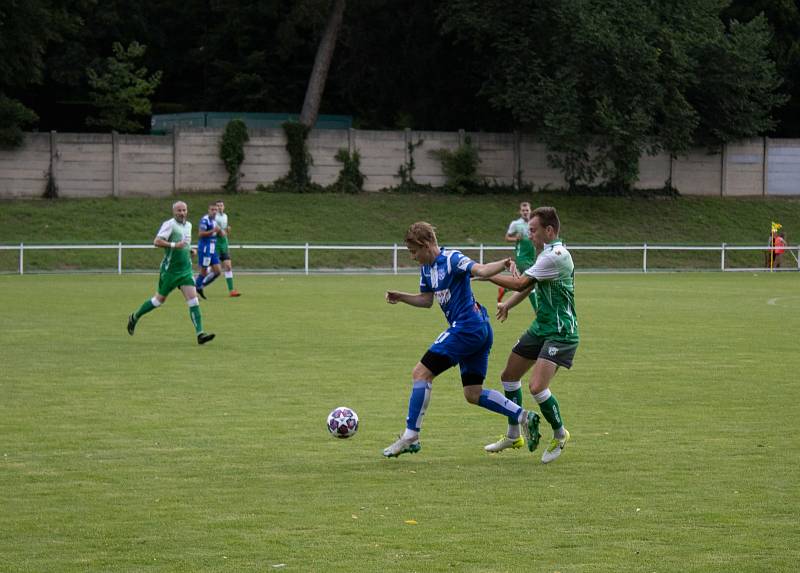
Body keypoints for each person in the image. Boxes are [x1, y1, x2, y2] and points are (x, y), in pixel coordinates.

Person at [382, 222, 540, 458]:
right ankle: (524, 416)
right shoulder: (427, 269)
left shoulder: (452, 259)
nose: (413, 257)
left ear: (426, 245)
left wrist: (505, 263)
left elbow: (483, 271)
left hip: (468, 328)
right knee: (472, 393)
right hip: (477, 329)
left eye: (414, 252)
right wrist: (401, 297)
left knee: (420, 373)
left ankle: (410, 435)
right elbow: (426, 301)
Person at [484, 206, 578, 464]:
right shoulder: (546, 255)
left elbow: (520, 283)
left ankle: (560, 434)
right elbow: (530, 285)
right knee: (509, 376)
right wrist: (508, 305)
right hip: (542, 326)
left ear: (549, 230)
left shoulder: (556, 255)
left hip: (561, 331)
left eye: (534, 231)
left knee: (537, 387)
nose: (530, 236)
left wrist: (483, 272)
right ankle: (514, 435)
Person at [127, 201, 215, 345]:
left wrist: (189, 250)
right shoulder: (169, 224)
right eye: (179, 210)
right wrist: (174, 245)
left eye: (184, 210)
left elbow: (184, 245)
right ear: (174, 212)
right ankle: (134, 317)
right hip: (170, 271)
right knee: (158, 301)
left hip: (185, 270)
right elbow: (156, 241)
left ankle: (200, 334)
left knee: (193, 300)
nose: (182, 213)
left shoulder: (189, 225)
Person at [499, 201, 537, 305]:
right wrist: (516, 238)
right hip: (522, 257)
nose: (525, 212)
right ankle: (538, 311)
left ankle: (505, 288)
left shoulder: (533, 223)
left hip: (532, 256)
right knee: (531, 283)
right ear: (520, 212)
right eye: (523, 210)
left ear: (530, 211)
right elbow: (507, 237)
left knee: (526, 281)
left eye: (527, 210)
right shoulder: (516, 224)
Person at [194, 202, 223, 299]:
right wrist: (214, 231)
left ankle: (199, 285)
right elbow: (201, 234)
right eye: (212, 210)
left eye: (216, 210)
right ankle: (195, 290)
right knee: (203, 271)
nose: (214, 212)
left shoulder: (215, 222)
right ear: (208, 210)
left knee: (218, 271)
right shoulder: (205, 220)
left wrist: (222, 231)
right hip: (205, 248)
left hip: (212, 249)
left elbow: (220, 234)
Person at [214, 199, 241, 297]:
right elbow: (215, 231)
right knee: (212, 269)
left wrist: (227, 230)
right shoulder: (213, 218)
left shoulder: (225, 216)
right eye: (218, 206)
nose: (220, 207)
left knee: (228, 266)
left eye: (221, 205)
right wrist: (221, 232)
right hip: (215, 244)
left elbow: (224, 232)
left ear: (223, 207)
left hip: (224, 244)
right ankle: (197, 284)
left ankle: (231, 291)